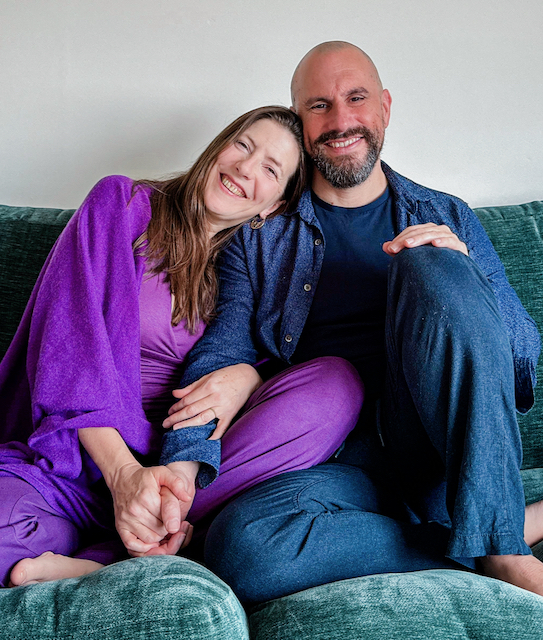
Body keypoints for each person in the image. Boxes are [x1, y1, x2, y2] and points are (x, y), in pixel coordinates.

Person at [155, 41, 543, 604]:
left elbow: (523, 363)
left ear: (384, 107)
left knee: (431, 261)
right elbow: (219, 355)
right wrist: (181, 466)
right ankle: (489, 535)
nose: (340, 121)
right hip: (334, 465)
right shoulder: (260, 237)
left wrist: (465, 280)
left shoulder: (448, 214)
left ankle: (504, 547)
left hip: (436, 452)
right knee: (242, 548)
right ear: (299, 120)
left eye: (355, 98)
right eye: (318, 105)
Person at [0, 105, 360, 588]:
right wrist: (125, 476)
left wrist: (248, 377)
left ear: (273, 204)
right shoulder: (123, 204)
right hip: (72, 464)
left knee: (335, 386)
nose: (244, 169)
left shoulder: (252, 272)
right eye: (242, 146)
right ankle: (131, 556)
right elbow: (69, 345)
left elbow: (273, 365)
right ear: (219, 145)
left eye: (270, 170)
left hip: (180, 479)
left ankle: (136, 542)